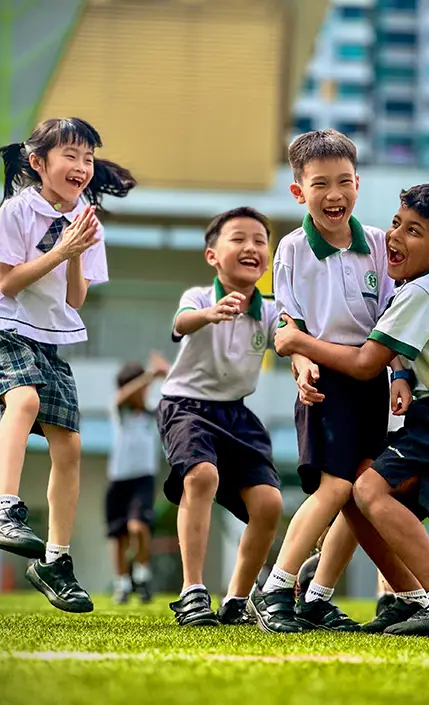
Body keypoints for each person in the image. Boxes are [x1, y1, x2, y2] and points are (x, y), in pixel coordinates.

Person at [274, 183, 429, 638]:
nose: (395, 237)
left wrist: (298, 341)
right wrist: (403, 375)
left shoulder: (424, 291)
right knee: (361, 485)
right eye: (396, 223)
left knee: (370, 491)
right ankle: (409, 599)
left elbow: (364, 364)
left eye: (414, 231)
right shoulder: (414, 287)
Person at [0, 117, 136, 613]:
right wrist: (62, 248)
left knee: (71, 446)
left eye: (88, 158)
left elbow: (76, 298)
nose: (82, 167)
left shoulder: (87, 220)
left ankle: (55, 561)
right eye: (71, 156)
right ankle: (3, 509)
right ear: (38, 163)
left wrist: (76, 252)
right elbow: (8, 285)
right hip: (0, 327)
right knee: (24, 399)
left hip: (49, 341)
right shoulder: (16, 212)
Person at [248, 130, 411, 634]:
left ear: (358, 184)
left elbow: (396, 318)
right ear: (299, 192)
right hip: (325, 386)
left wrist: (401, 373)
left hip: (373, 385)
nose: (334, 194)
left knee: (361, 492)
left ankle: (320, 596)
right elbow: (287, 328)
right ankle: (278, 587)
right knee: (336, 486)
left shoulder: (382, 247)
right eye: (320, 184)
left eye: (344, 182)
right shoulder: (292, 250)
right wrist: (301, 368)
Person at [157, 207, 284, 628]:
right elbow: (180, 321)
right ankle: (192, 592)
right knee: (202, 476)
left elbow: (293, 341)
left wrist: (304, 367)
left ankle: (237, 600)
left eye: (260, 241)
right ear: (213, 255)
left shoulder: (269, 311)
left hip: (237, 413)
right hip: (186, 405)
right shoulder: (199, 296)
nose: (250, 247)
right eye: (238, 239)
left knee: (269, 504)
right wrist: (207, 315)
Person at [107, 352, 170, 605]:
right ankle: (122, 583)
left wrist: (163, 373)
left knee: (139, 527)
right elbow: (121, 396)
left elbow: (173, 394)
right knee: (118, 534)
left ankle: (142, 576)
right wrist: (149, 375)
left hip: (143, 478)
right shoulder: (119, 409)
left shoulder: (153, 412)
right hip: (118, 479)